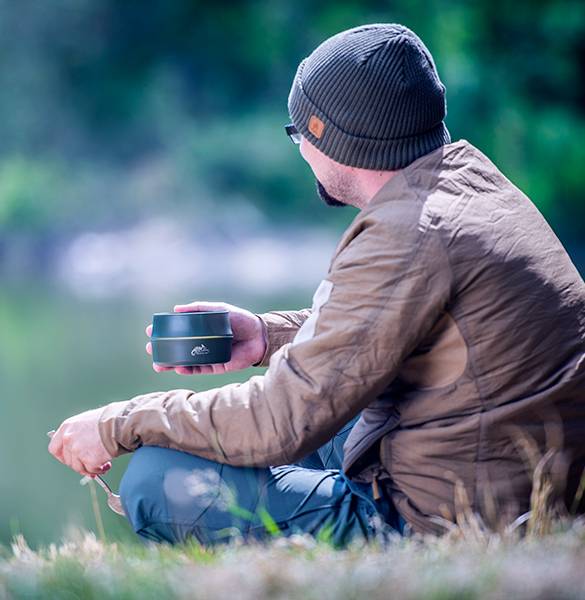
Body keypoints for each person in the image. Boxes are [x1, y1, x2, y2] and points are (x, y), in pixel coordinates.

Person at [48, 23, 585, 546]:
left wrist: (120, 421)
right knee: (286, 432)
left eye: (297, 132)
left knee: (156, 480)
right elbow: (387, 332)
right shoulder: (471, 186)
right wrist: (266, 336)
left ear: (330, 138)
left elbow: (277, 421)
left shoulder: (407, 234)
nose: (299, 148)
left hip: (448, 519)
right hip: (501, 476)